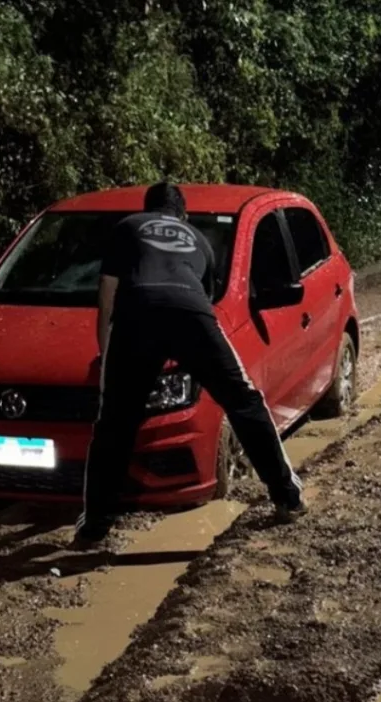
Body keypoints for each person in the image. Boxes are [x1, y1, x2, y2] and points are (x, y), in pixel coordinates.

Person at [77, 182, 306, 544]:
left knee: (114, 423)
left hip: (137, 316)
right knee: (243, 400)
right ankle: (286, 495)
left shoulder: (127, 227)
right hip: (192, 315)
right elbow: (204, 300)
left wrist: (108, 354)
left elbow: (108, 295)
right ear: (182, 214)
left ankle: (95, 525)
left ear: (147, 208)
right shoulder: (200, 239)